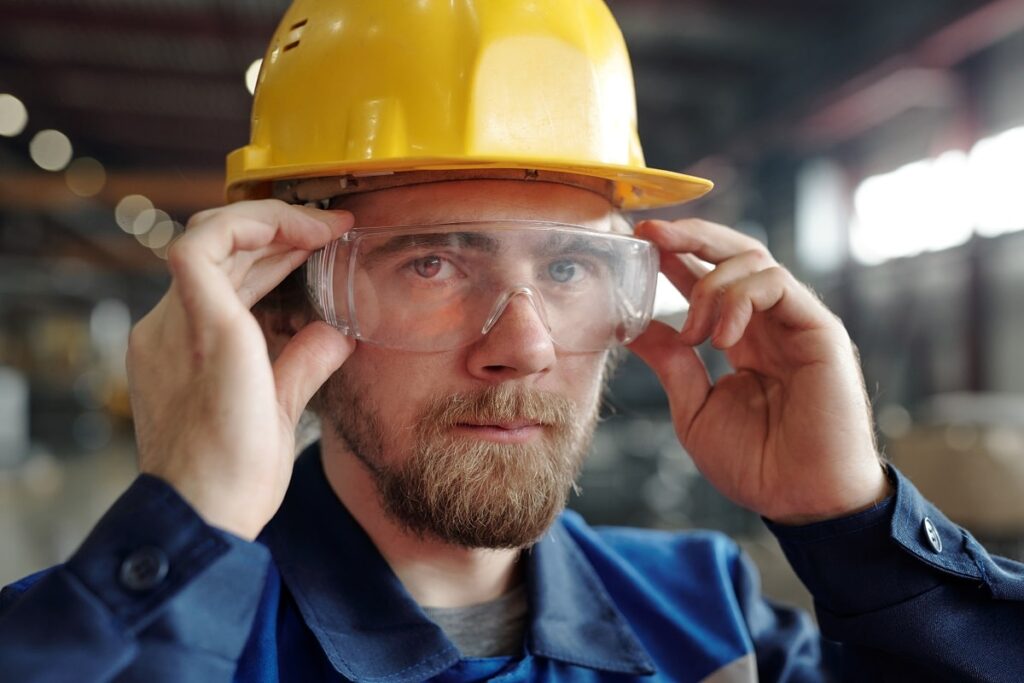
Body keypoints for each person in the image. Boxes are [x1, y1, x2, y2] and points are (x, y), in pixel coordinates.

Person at [2, 1, 1023, 681]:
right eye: (434, 265)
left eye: (571, 269)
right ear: (284, 302)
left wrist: (852, 524)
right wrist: (185, 534)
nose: (524, 346)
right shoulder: (136, 636)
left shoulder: (710, 619)